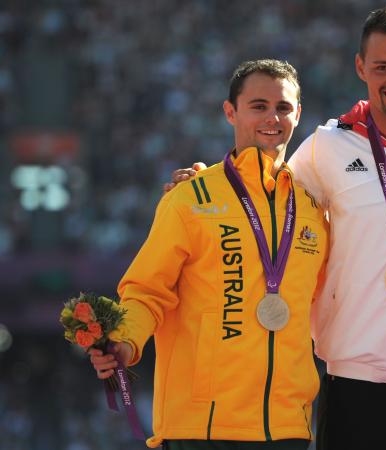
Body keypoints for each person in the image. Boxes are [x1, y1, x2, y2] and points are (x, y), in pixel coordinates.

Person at [167, 6, 386, 449]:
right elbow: (269, 204)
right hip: (353, 377)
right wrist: (206, 182)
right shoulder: (326, 147)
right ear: (361, 67)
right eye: (382, 67)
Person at [89, 59, 328, 450]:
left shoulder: (313, 211)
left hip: (286, 428)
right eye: (258, 106)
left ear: (298, 114)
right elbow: (147, 291)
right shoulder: (190, 199)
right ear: (230, 111)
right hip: (201, 428)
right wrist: (124, 342)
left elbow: (324, 303)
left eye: (283, 107)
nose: (272, 117)